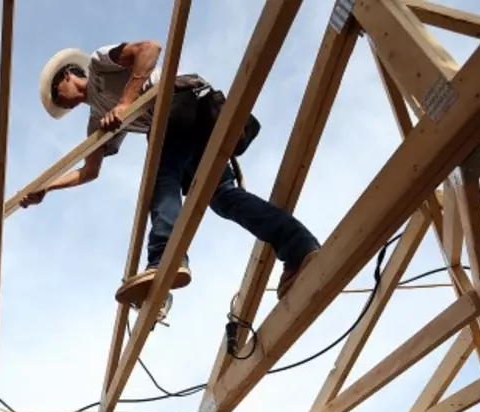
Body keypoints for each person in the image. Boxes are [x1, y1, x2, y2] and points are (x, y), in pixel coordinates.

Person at [19, 42, 321, 304]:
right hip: (177, 129)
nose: (62, 104)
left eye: (57, 97)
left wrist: (125, 102)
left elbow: (149, 49)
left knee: (162, 180)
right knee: (223, 198)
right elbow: (90, 170)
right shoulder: (97, 119)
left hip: (183, 103)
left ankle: (164, 257)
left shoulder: (100, 64)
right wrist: (47, 187)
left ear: (68, 75)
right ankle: (298, 247)